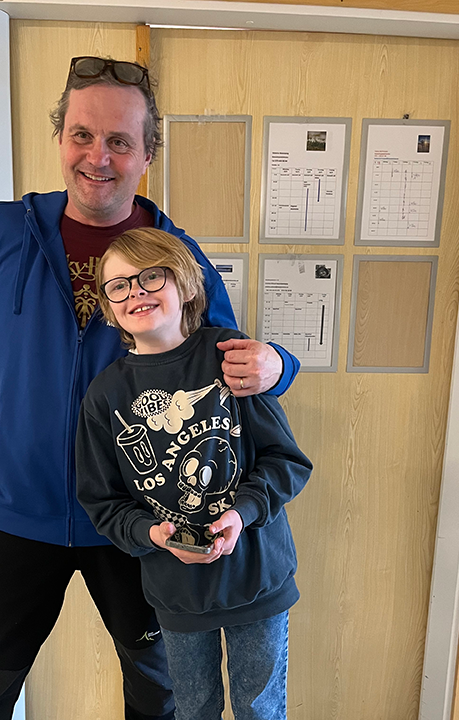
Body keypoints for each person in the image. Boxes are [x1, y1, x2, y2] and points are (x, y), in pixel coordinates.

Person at [0, 56, 300, 720]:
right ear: (61, 139)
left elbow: (232, 360)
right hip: (20, 513)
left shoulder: (175, 256)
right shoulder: (2, 232)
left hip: (144, 528)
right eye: (82, 135)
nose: (98, 156)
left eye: (119, 140)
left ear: (147, 154)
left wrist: (279, 366)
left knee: (159, 693)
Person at [76, 227, 312, 720]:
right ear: (108, 306)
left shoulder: (231, 357)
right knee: (193, 710)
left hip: (257, 579)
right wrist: (151, 534)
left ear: (184, 283)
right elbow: (103, 501)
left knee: (260, 710)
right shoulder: (105, 396)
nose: (136, 292)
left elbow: (286, 461)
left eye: (151, 276)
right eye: (119, 285)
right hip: (176, 592)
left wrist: (242, 513)